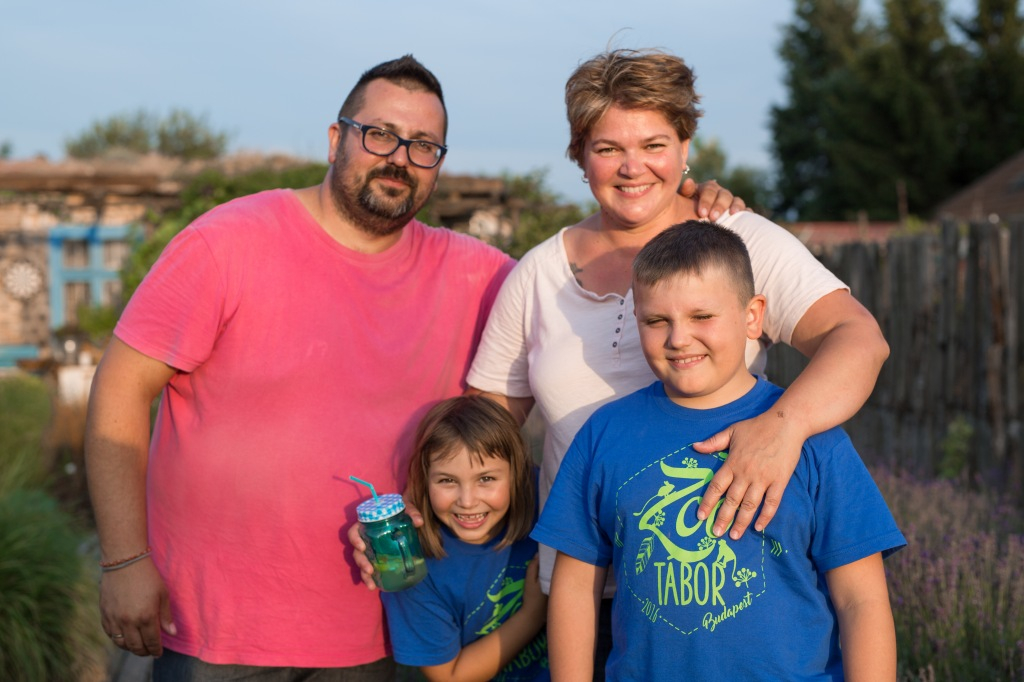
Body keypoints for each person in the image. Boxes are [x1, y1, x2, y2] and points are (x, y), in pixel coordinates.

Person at [84, 53, 738, 679]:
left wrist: (687, 202)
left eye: (424, 145)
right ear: (336, 138)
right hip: (217, 627)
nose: (400, 157)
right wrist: (124, 560)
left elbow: (587, 277)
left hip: (382, 624)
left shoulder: (482, 276)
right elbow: (119, 389)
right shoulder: (226, 243)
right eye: (380, 135)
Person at [463, 48, 889, 676]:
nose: (632, 167)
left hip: (737, 582)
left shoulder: (741, 242)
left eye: (654, 144)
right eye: (607, 147)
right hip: (579, 591)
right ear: (579, 155)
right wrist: (430, 510)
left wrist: (784, 427)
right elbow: (485, 430)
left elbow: (859, 340)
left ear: (686, 147)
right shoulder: (536, 276)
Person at [533, 220, 906, 680]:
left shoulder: (813, 437)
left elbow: (861, 600)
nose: (678, 338)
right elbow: (574, 588)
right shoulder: (603, 435)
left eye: (702, 316)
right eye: (656, 321)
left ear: (752, 316)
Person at [380, 395, 548, 681]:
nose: (467, 501)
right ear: (423, 480)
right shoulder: (411, 566)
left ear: (518, 474)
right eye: (447, 480)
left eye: (486, 479)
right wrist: (533, 615)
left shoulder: (546, 501)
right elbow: (450, 676)